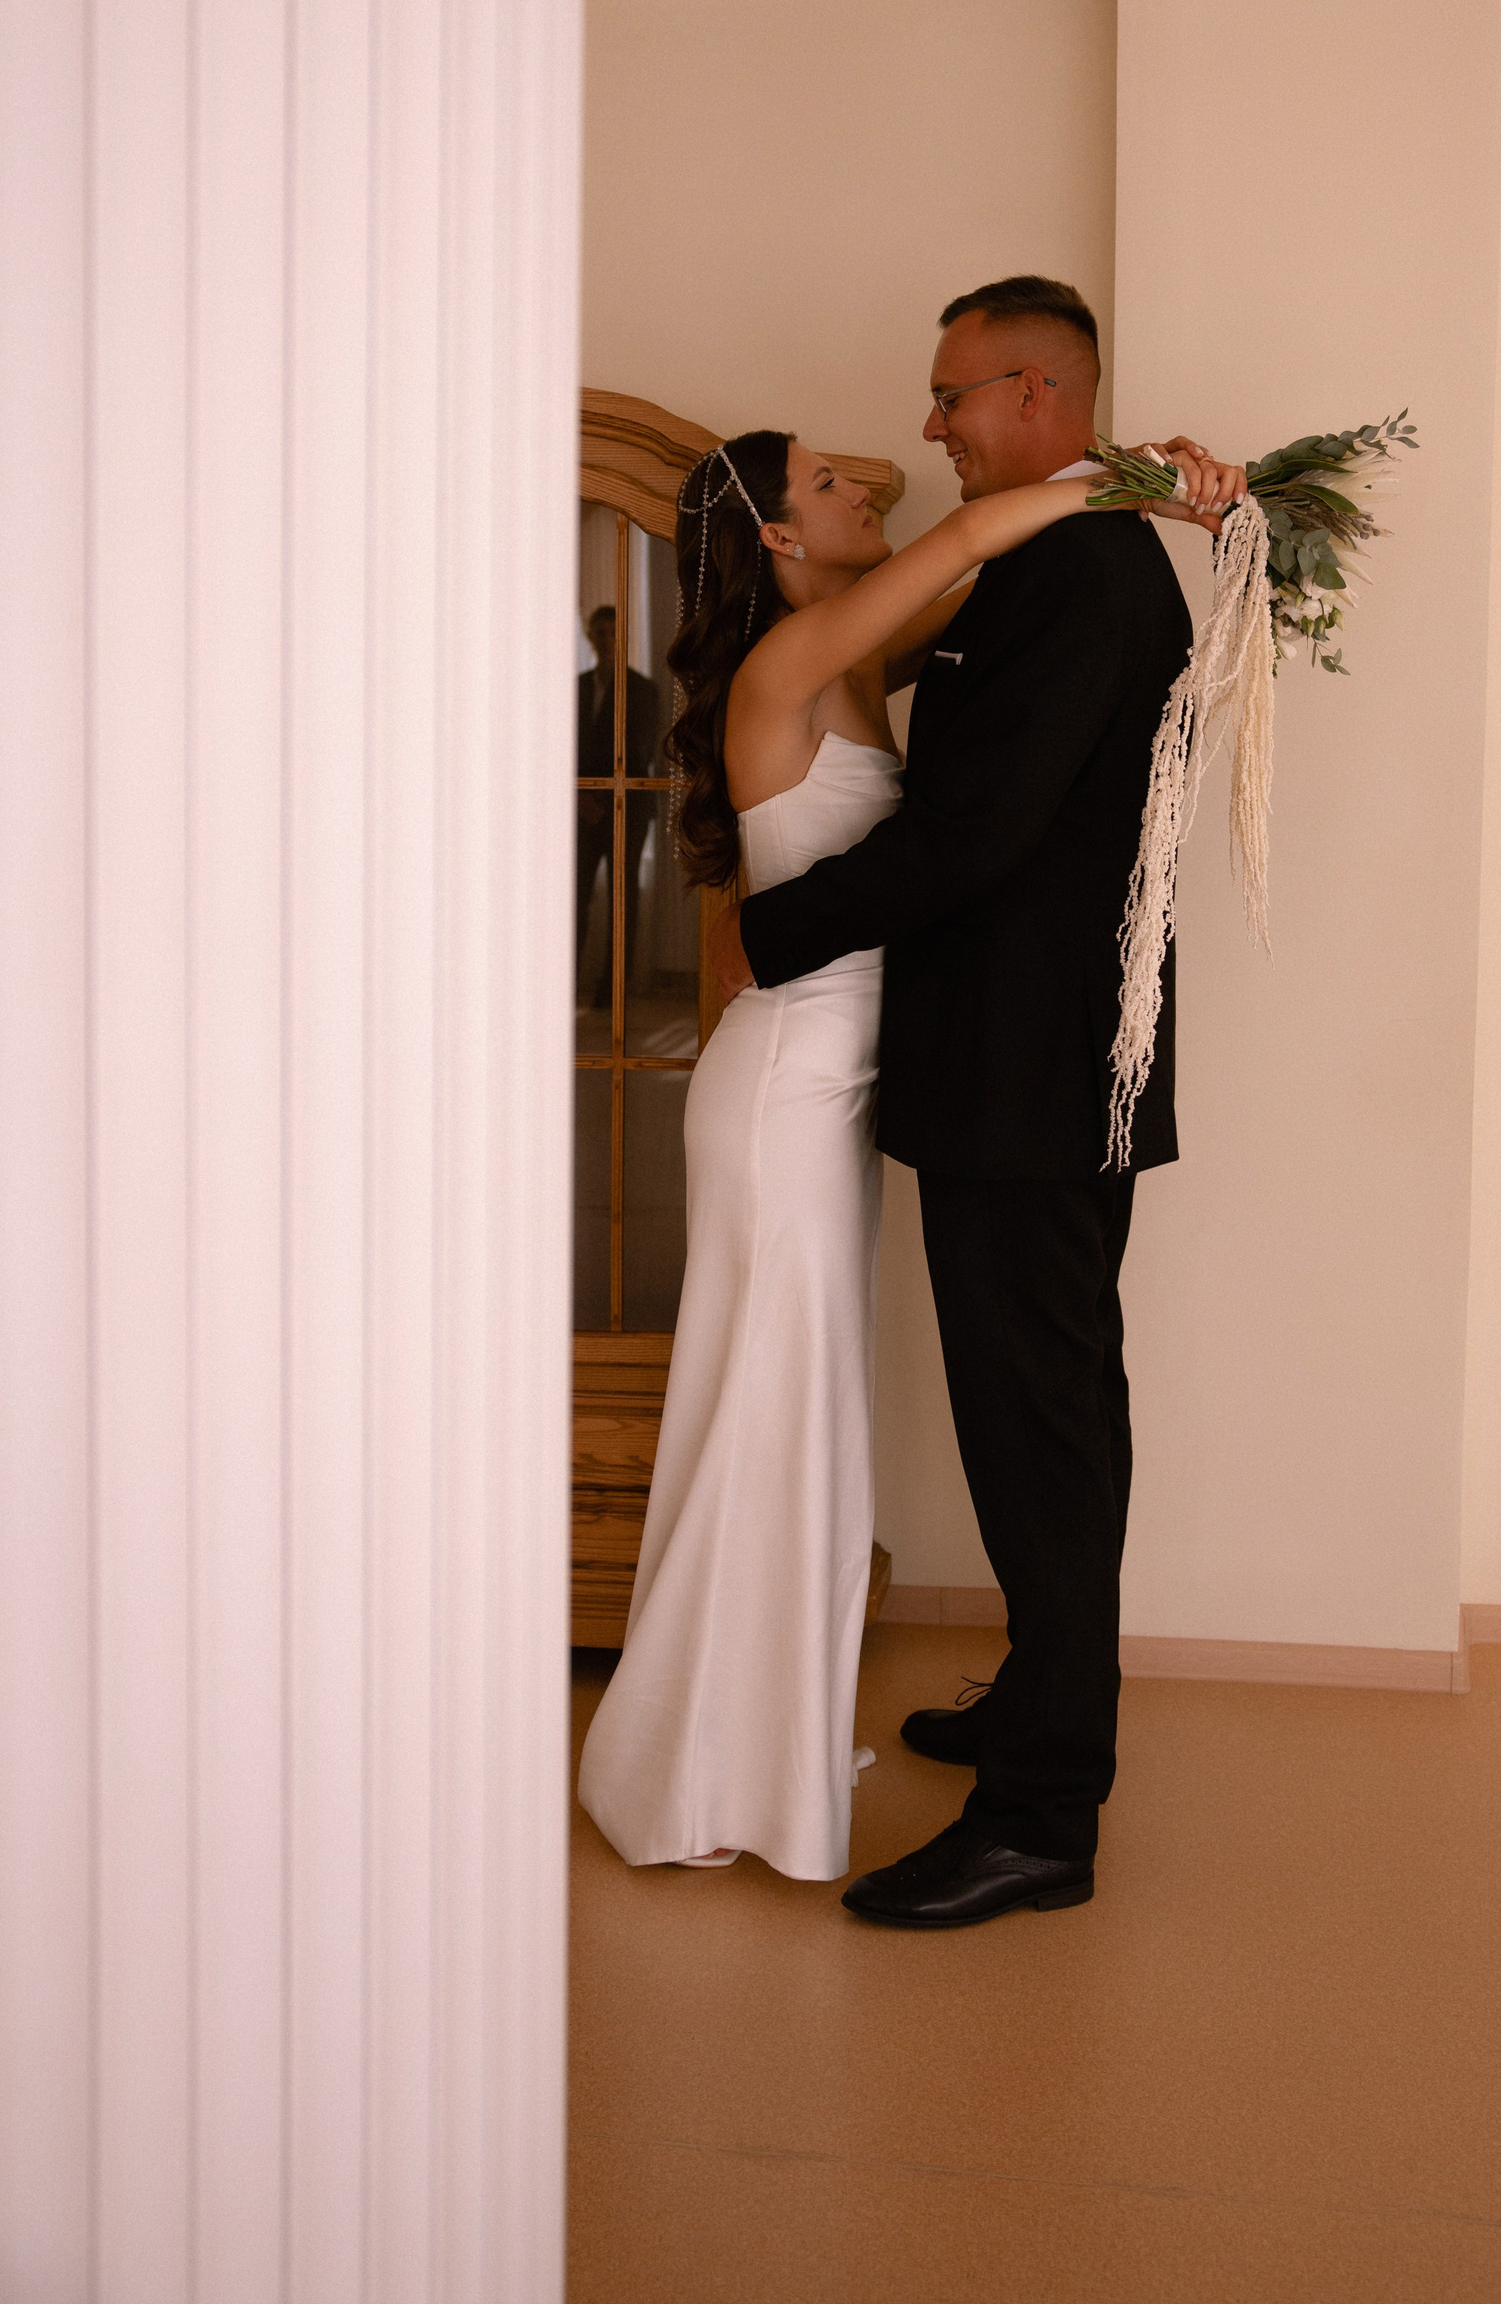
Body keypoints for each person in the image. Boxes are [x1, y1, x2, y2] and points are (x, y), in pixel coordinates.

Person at [576, 305, 1239, 1884]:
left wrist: (1142, 484)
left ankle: (978, 1789)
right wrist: (1129, 479)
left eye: (947, 397)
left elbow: (973, 806)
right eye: (828, 478)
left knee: (966, 1421)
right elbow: (956, 590)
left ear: (1032, 387)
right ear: (775, 533)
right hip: (847, 1079)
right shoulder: (841, 642)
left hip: (953, 1078)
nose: (902, 447)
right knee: (879, 1410)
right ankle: (832, 1738)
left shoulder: (966, 610)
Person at [575, 604, 662, 1008]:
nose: (607, 640)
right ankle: (563, 987)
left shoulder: (642, 690)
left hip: (628, 808)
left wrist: (604, 797)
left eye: (613, 632)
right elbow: (558, 744)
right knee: (573, 897)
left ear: (622, 638)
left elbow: (638, 752)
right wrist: (582, 797)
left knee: (622, 899)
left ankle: (612, 994)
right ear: (590, 637)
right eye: (600, 632)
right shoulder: (574, 687)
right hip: (580, 808)